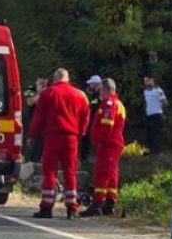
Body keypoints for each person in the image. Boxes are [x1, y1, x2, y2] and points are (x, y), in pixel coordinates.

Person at [27, 68, 90, 219]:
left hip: (52, 137)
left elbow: (39, 117)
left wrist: (32, 134)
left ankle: (47, 207)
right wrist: (80, 133)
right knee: (70, 172)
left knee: (49, 171)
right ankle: (72, 208)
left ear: (55, 79)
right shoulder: (80, 95)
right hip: (71, 138)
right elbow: (85, 118)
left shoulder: (47, 94)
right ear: (67, 78)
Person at [81, 78, 127, 218]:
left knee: (101, 173)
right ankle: (109, 202)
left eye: (100, 90)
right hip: (113, 144)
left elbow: (107, 123)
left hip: (108, 144)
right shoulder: (118, 103)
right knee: (111, 174)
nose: (99, 92)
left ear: (106, 89)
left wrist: (100, 141)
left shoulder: (109, 103)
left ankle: (98, 203)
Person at [142, 76, 167, 154]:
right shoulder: (145, 92)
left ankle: (156, 152)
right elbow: (147, 102)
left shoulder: (158, 90)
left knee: (155, 134)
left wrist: (162, 111)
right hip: (149, 115)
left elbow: (165, 102)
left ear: (152, 80)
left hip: (157, 114)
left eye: (148, 80)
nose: (146, 82)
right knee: (148, 134)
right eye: (145, 81)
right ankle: (150, 151)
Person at [80, 75, 102, 163]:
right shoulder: (91, 94)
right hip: (89, 119)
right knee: (85, 139)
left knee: (95, 140)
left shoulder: (100, 95)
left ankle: (96, 158)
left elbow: (94, 106)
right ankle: (84, 158)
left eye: (91, 84)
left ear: (96, 84)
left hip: (96, 120)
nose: (89, 86)